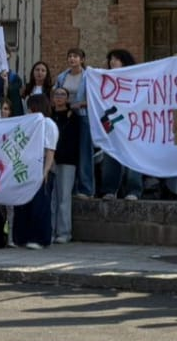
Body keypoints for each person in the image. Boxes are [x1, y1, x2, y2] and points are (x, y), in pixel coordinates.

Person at [12, 94, 59, 249]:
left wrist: (45, 171)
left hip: (41, 166)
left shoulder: (48, 124)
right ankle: (21, 237)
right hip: (26, 167)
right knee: (23, 203)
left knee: (40, 204)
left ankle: (40, 238)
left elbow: (50, 151)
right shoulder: (29, 124)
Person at [100, 49, 143, 200]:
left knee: (133, 157)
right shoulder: (104, 80)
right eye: (111, 59)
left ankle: (133, 190)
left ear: (124, 61)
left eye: (116, 59)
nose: (112, 62)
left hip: (133, 124)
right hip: (114, 125)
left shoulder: (135, 78)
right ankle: (110, 190)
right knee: (111, 155)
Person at [55, 48, 95, 197]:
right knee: (69, 151)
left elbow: (94, 98)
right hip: (66, 117)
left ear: (82, 60)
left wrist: (80, 104)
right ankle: (71, 188)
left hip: (83, 115)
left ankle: (86, 188)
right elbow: (57, 94)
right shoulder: (61, 77)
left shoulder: (88, 76)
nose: (72, 59)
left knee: (84, 151)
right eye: (70, 56)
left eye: (76, 56)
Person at [50, 86, 81, 244]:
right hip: (50, 161)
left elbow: (74, 141)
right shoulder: (48, 116)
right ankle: (50, 230)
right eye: (57, 94)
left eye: (63, 94)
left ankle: (64, 232)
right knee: (52, 197)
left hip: (67, 161)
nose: (59, 97)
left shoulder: (73, 117)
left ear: (67, 98)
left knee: (64, 197)